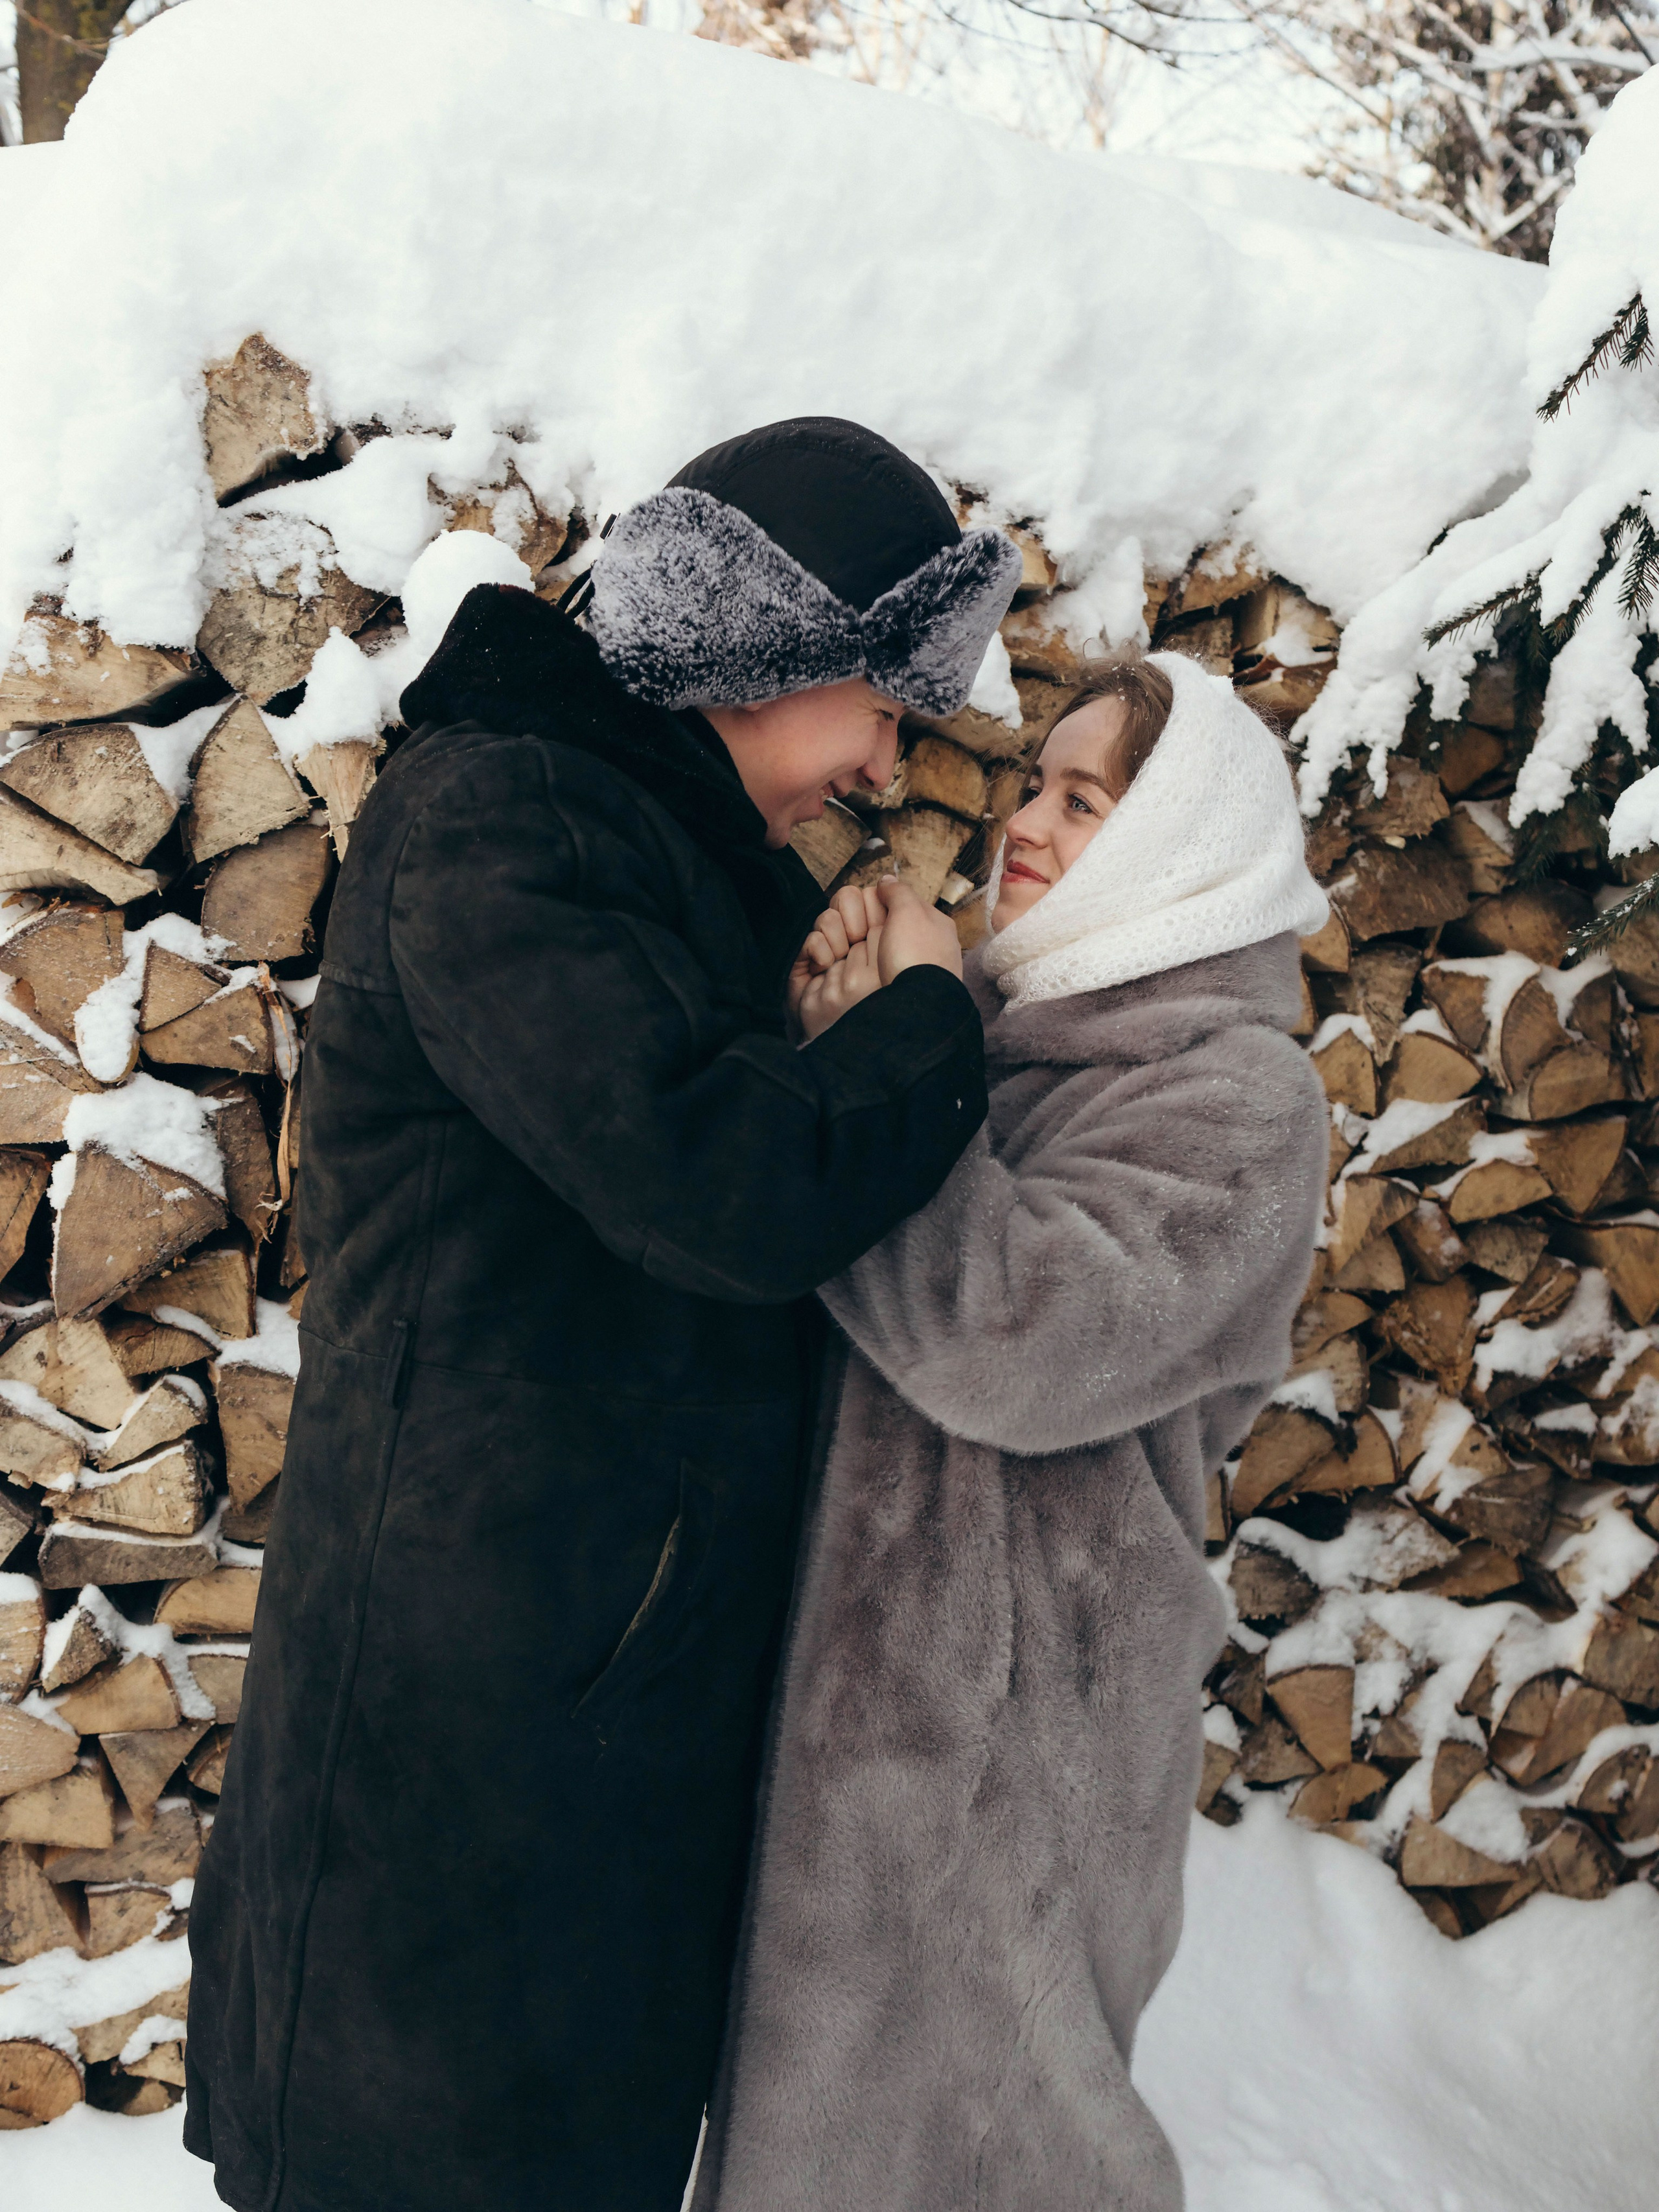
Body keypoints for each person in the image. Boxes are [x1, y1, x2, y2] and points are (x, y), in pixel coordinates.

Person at [184, 418, 1023, 2212]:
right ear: (758, 645)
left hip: (568, 1694)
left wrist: (815, 1015)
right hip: (469, 1722)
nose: (885, 756)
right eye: (877, 696)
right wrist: (922, 1023)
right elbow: (721, 1185)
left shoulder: (647, 837)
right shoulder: (506, 820)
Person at [690, 653, 1331, 2212]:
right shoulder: (995, 1035)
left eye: (1085, 798)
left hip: (1020, 1745)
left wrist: (887, 1038)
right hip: (850, 1720)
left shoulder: (1239, 1097)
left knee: (994, 2146)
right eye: (1034, 782)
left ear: (1183, 844)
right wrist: (862, 1023)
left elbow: (1011, 1343)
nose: (1024, 821)